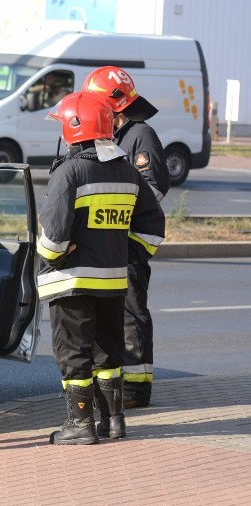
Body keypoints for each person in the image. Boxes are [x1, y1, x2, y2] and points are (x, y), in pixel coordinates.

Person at [39, 91, 165, 444]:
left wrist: (51, 258)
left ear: (74, 129)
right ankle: (114, 421)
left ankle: (80, 426)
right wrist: (122, 254)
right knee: (108, 352)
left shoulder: (69, 172)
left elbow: (53, 239)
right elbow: (152, 228)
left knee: (74, 355)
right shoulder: (127, 171)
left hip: (72, 282)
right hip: (113, 281)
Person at [84, 66, 169, 409]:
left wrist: (119, 215)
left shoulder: (140, 136)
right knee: (105, 316)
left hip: (128, 244)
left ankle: (136, 388)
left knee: (131, 314)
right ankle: (111, 382)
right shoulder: (110, 136)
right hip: (105, 244)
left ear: (112, 105)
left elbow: (155, 187)